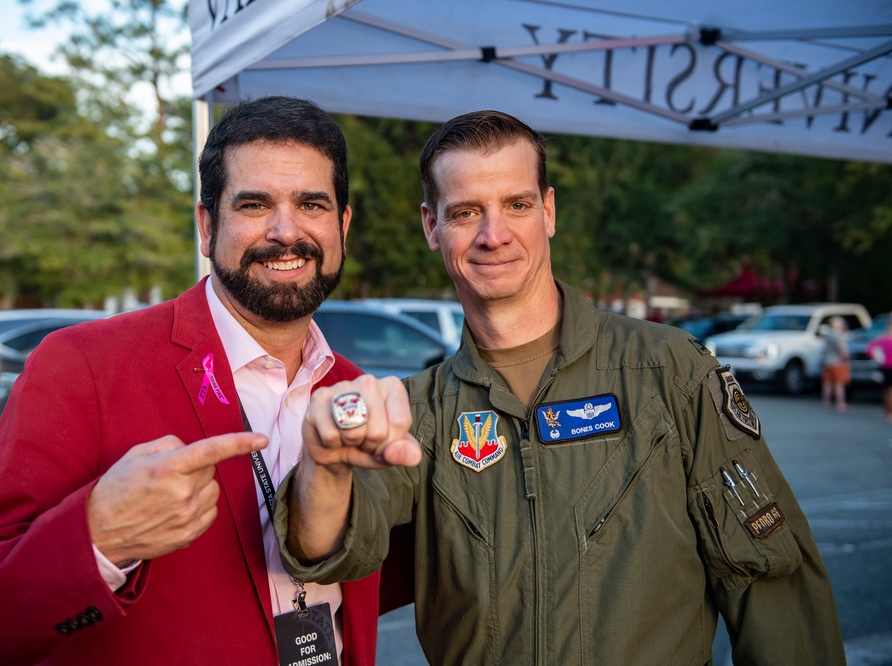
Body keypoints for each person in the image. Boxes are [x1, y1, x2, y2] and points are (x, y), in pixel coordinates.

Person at [275, 110, 846, 664]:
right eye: (467, 211)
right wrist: (323, 467)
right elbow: (324, 550)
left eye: (517, 205)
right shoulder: (418, 412)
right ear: (432, 226)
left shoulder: (670, 372)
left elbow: (772, 590)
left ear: (548, 211)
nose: (493, 235)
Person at [0, 96, 401, 665]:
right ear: (207, 226)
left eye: (312, 204)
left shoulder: (355, 397)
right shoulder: (83, 365)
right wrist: (99, 538)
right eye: (254, 204)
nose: (286, 230)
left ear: (342, 225)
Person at [821, 316, 851, 412]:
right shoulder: (838, 335)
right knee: (839, 384)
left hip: (828, 361)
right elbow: (842, 350)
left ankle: (826, 402)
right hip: (838, 362)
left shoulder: (828, 334)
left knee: (827, 383)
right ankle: (841, 403)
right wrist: (846, 360)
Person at [866, 317, 892, 423]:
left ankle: (887, 412)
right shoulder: (885, 339)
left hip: (884, 367)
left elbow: (870, 349)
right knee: (890, 391)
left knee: (886, 390)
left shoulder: (882, 339)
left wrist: (877, 358)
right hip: (889, 367)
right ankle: (889, 413)